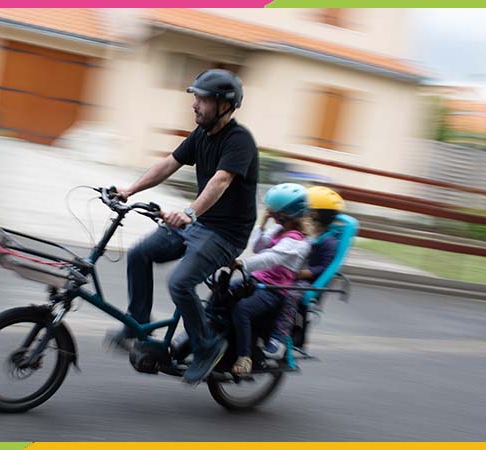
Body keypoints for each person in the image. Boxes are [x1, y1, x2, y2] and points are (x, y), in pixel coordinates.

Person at [106, 68, 259, 385]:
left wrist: (190, 211)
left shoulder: (239, 140)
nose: (194, 105)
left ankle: (206, 345)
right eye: (196, 98)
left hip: (226, 233)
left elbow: (221, 180)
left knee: (179, 282)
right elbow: (168, 163)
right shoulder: (201, 135)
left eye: (202, 99)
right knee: (138, 254)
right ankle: (137, 323)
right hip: (199, 223)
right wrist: (129, 190)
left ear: (224, 105)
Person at [228, 183, 311, 375]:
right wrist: (263, 223)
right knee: (220, 292)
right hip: (257, 281)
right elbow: (258, 247)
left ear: (286, 214)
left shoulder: (298, 242)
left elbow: (272, 257)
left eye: (274, 211)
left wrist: (243, 264)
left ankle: (244, 356)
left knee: (242, 310)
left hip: (273, 290)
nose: (270, 212)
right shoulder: (278, 231)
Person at [262, 186, 346, 367]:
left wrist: (296, 273)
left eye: (306, 210)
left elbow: (321, 269)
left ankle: (278, 336)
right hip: (293, 274)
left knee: (289, 295)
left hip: (305, 282)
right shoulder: (311, 233)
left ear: (314, 214)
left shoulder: (329, 242)